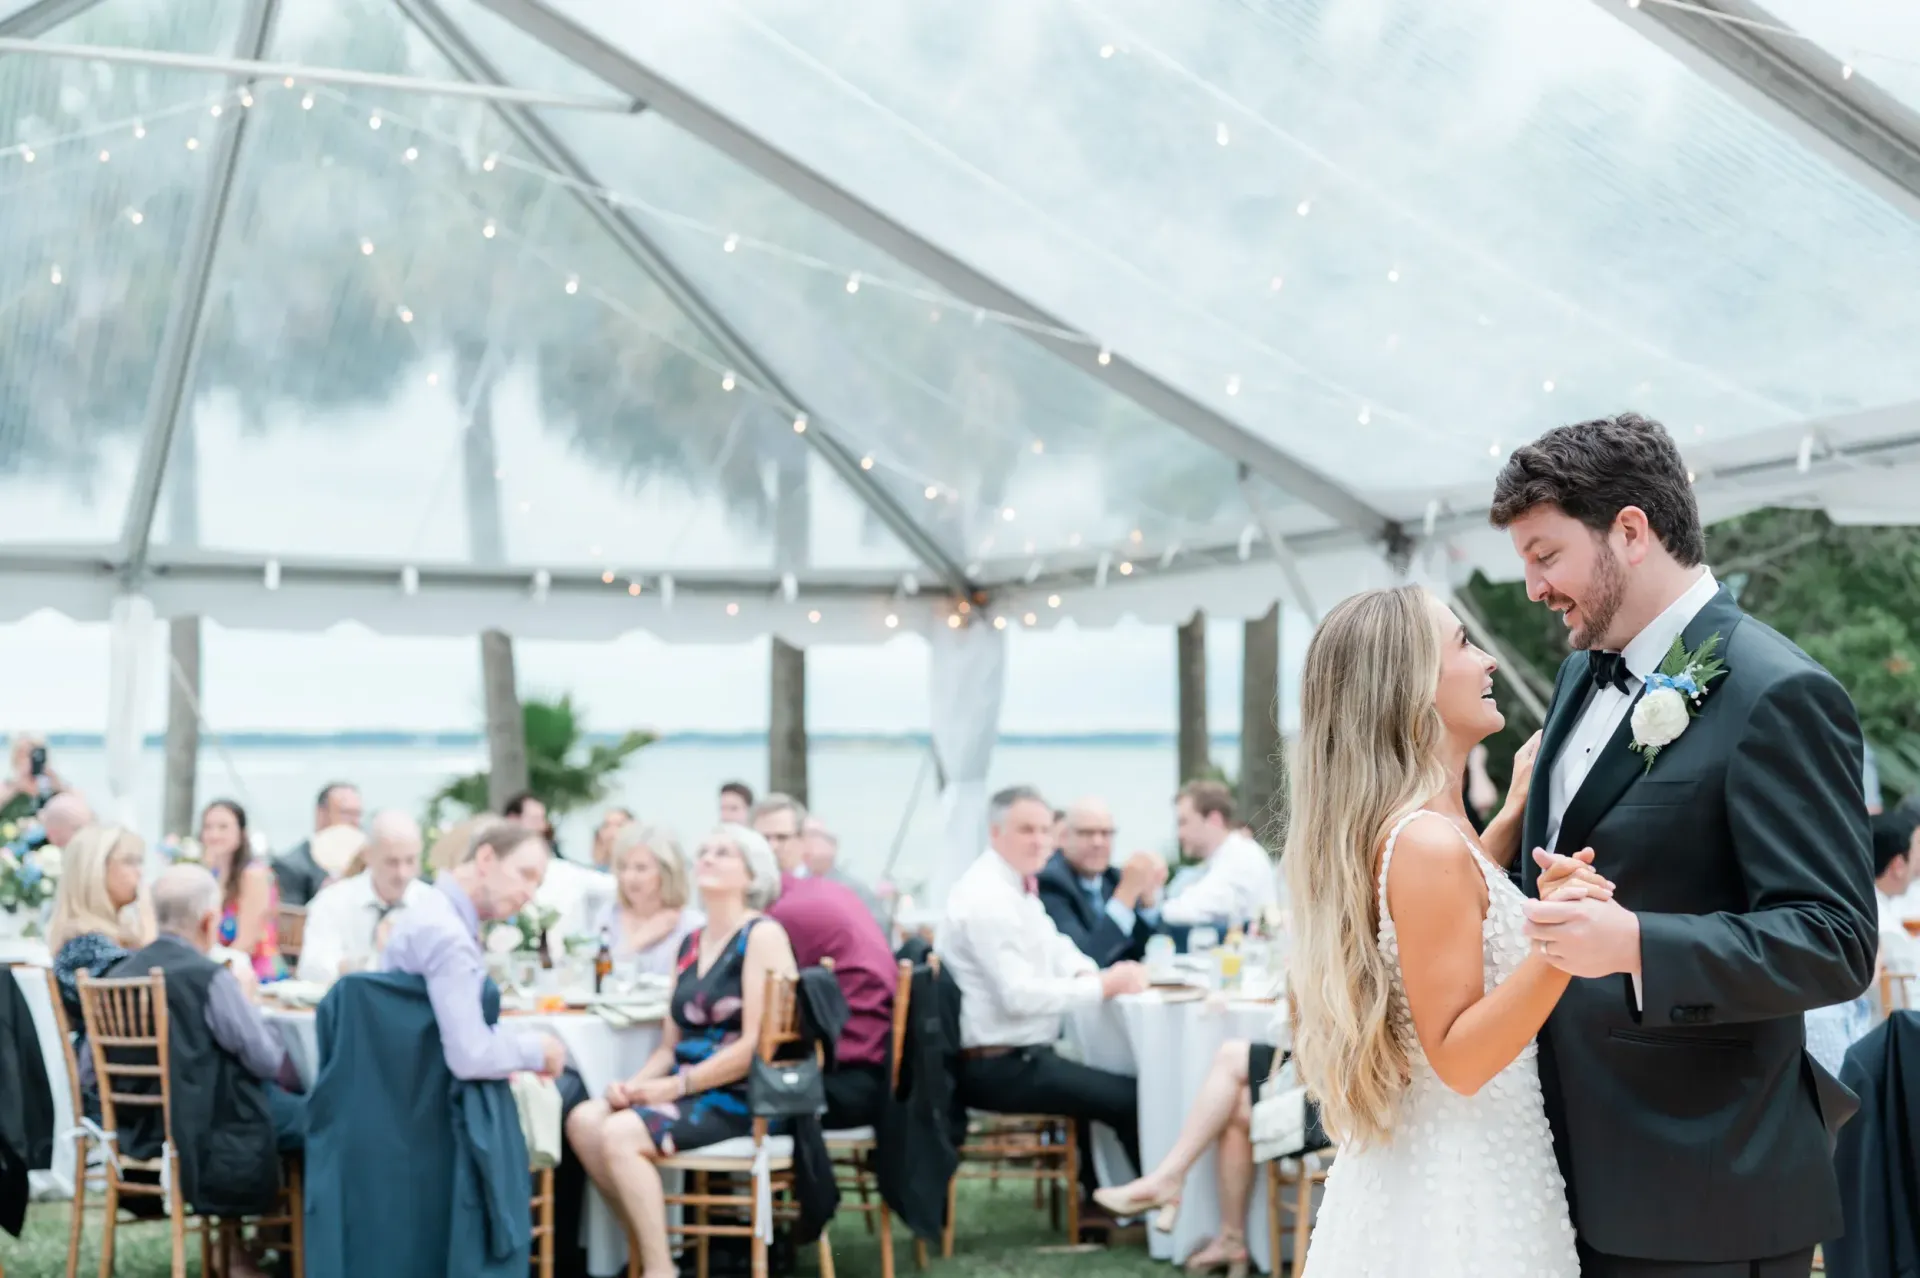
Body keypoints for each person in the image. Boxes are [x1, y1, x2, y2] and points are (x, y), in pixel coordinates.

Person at [1496, 413, 1876, 1276]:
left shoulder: (1781, 693)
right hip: (1562, 1167)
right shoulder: (1573, 675)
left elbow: (1836, 939)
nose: (1531, 587)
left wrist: (1635, 942)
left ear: (1629, 532)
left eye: (1545, 554)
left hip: (1706, 1182)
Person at [1268, 585, 1612, 1274]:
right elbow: (1457, 1059)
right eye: (1461, 643)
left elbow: (1449, 930)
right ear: (1409, 686)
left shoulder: (1425, 833)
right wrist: (1564, 941)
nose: (1487, 660)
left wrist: (1506, 825)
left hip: (1440, 1164)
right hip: (1465, 1187)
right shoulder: (1426, 843)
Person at [564, 824, 798, 1278]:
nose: (707, 857)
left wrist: (672, 1087)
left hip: (744, 1094)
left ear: (751, 876)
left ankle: (658, 1269)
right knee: (585, 1120)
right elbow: (670, 1046)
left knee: (620, 1135)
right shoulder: (692, 944)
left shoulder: (762, 936)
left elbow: (754, 1045)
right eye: (704, 850)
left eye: (723, 853)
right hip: (689, 1088)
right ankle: (648, 1249)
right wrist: (635, 1086)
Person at [938, 785, 1150, 1208]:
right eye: (1025, 830)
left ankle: (1104, 1199)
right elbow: (1019, 998)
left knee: (1109, 1081)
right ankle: (1140, 1211)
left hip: (1022, 1055)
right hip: (996, 1067)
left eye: (1043, 830)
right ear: (995, 832)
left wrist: (1092, 972)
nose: (1039, 840)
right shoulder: (987, 898)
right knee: (1130, 1097)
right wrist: (1103, 987)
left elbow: (1057, 946)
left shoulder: (1014, 886)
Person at [107, 865, 307, 1263]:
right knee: (316, 1117)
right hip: (207, 1127)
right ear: (208, 920)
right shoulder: (208, 978)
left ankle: (243, 1252)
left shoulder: (119, 973)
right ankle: (277, 1251)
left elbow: (87, 1072)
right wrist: (246, 1002)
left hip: (134, 1130)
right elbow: (266, 1060)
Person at [379, 823, 569, 1081]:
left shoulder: (433, 911)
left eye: (538, 883)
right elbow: (470, 1057)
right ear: (486, 858)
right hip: (433, 1100)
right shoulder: (447, 934)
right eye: (525, 874)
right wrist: (541, 1049)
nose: (531, 894)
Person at [47, 824, 154, 1113]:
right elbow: (151, 1007)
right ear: (94, 871)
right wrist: (152, 930)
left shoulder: (103, 939)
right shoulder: (87, 947)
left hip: (133, 1083)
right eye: (130, 861)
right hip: (124, 1095)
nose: (140, 872)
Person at [295, 812, 432, 985]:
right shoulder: (333, 901)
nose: (402, 873)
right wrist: (365, 964)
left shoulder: (431, 904)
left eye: (410, 861)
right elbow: (311, 969)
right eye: (391, 862)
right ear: (368, 855)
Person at [1036, 797, 1167, 966]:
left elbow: (1150, 954)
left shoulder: (1113, 877)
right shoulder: (1050, 882)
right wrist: (1125, 896)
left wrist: (1148, 904)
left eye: (1106, 833)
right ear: (1064, 837)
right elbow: (1086, 959)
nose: (1098, 842)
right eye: (1086, 833)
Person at [1159, 782, 1278, 931]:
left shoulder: (1241, 857)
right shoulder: (1227, 856)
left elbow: (1188, 910)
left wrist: (1151, 907)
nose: (1179, 834)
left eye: (1184, 822)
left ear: (1214, 819)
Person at [592, 824, 701, 977]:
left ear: (666, 872)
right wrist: (637, 941)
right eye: (623, 867)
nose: (629, 877)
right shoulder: (608, 915)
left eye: (641, 868)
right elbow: (596, 975)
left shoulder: (691, 925)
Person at [199, 799, 283, 983]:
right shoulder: (211, 874)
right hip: (219, 970)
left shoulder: (254, 875)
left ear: (241, 832)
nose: (214, 834)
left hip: (254, 974)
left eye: (223, 827)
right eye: (208, 827)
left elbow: (247, 942)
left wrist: (210, 973)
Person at [273, 782, 363, 908]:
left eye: (357, 814)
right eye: (345, 813)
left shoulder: (369, 864)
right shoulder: (291, 865)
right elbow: (290, 922)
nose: (354, 821)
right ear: (321, 813)